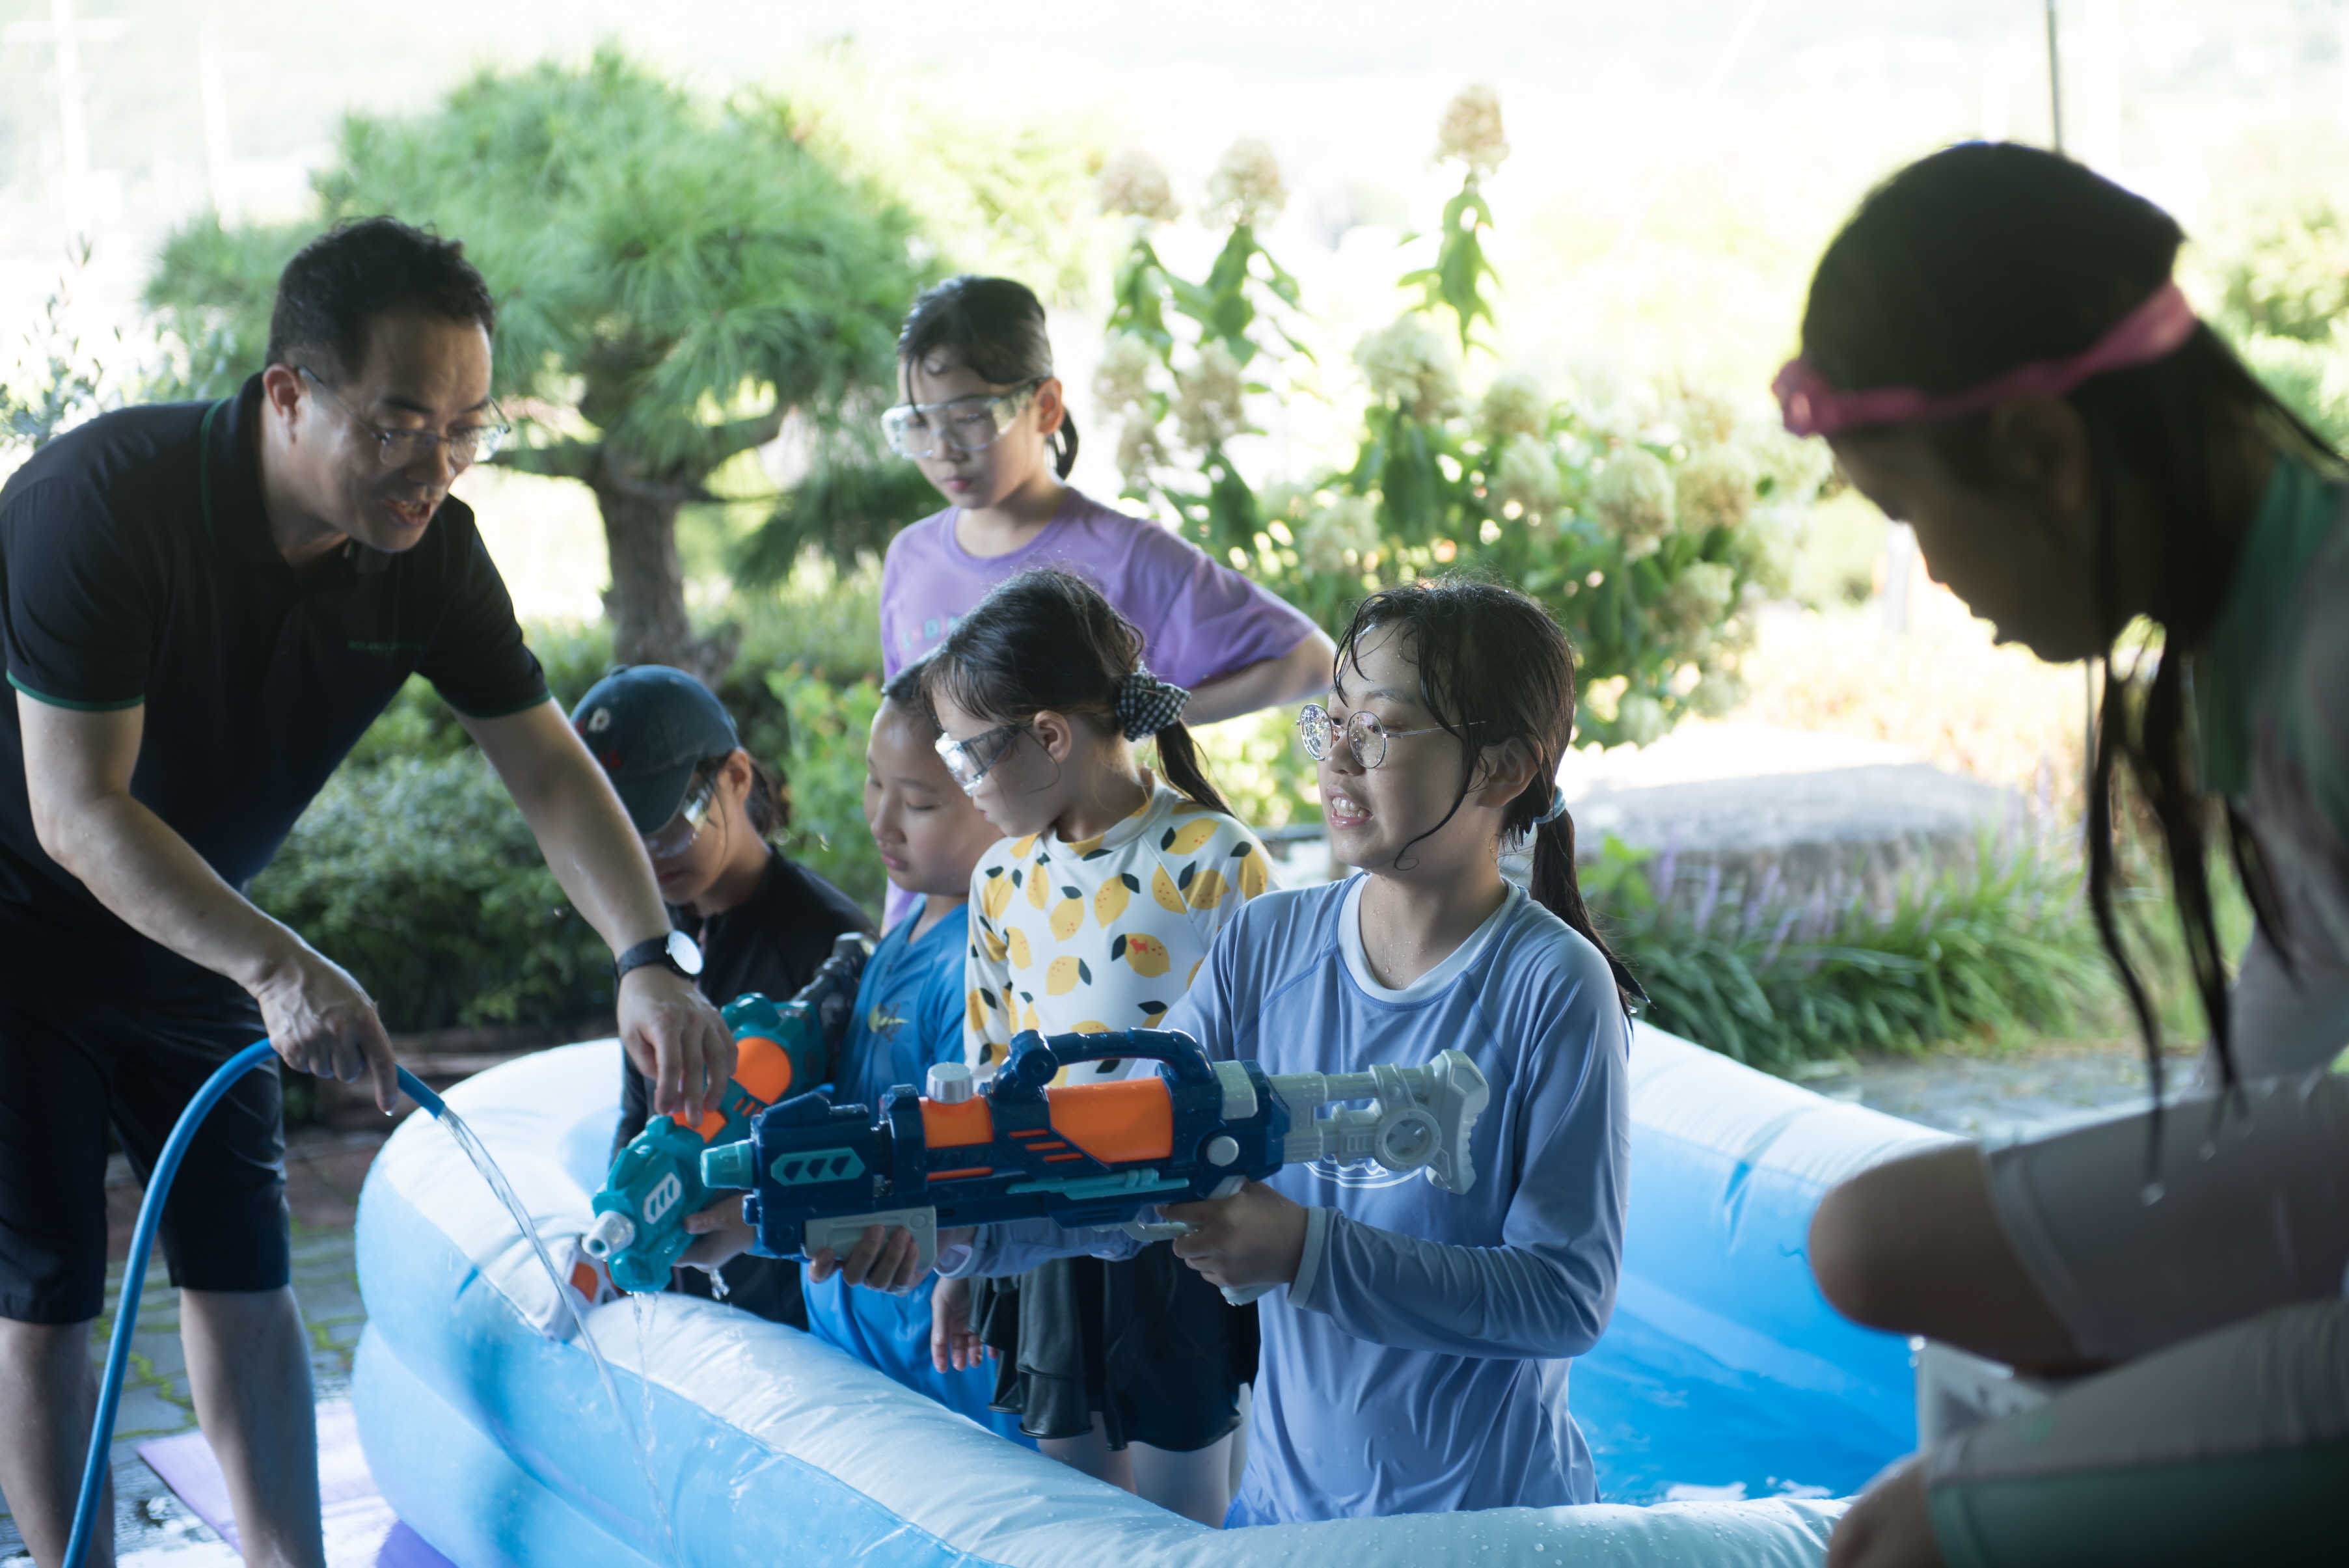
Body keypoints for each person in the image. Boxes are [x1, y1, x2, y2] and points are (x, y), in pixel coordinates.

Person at [0, 218, 735, 1568]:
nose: (434, 466)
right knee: (45, 1294)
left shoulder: (429, 552)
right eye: (399, 424)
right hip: (22, 935)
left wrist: (647, 955)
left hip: (196, 926)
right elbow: (78, 813)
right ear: (290, 393)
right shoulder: (101, 505)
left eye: (467, 429)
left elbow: (548, 768)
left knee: (245, 1267)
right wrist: (280, 965)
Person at [1772, 142, 2349, 1568]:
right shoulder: (2263, 605)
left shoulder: (2332, 652)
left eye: (1909, 512)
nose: (1929, 571)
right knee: (1870, 1241)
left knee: (1894, 1542)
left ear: (2042, 451)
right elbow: (2303, 973)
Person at [919, 578, 1638, 1524]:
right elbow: (1128, 1160)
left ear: (1501, 768)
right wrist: (953, 1224)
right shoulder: (1266, 946)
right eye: (1331, 721)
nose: (1335, 756)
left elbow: (1564, 1297)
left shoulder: (1552, 986)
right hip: (1291, 1523)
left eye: (1377, 731)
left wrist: (1305, 1250)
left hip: (1488, 1528)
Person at [933, 567, 1275, 1525]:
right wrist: (958, 1245)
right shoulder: (1001, 879)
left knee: (1185, 1514)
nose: (965, 785)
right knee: (1080, 1509)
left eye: (968, 757)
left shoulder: (1214, 858)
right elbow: (986, 1068)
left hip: (1180, 1232)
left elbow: (1267, 1068)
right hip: (1041, 1223)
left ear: (1049, 735)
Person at [873, 273, 1333, 926]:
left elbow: (1309, 660)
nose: (942, 449)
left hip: (1071, 921)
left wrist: (1129, 715)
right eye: (919, 422)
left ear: (1045, 406)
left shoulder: (1125, 554)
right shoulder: (909, 558)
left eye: (970, 416)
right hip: (928, 918)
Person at [677, 656, 1025, 1440]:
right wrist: (754, 1210)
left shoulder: (981, 967)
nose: (881, 820)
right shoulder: (903, 937)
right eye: (874, 783)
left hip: (941, 1371)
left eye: (918, 801)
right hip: (865, 1348)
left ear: (999, 799)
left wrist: (766, 1222)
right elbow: (858, 1135)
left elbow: (951, 1189)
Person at [575, 663, 873, 1328]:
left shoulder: (829, 948)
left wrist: (758, 1214)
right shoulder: (652, 945)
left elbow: (860, 1138)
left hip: (796, 1311)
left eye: (669, 823)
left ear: (736, 776)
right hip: (695, 1304)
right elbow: (640, 1112)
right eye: (624, 838)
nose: (651, 855)